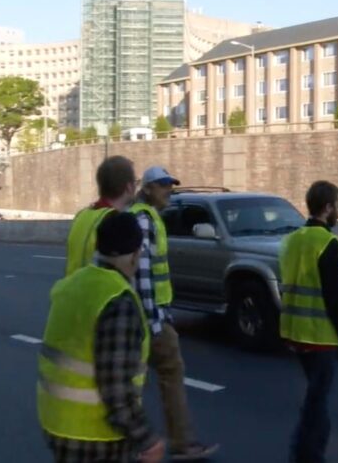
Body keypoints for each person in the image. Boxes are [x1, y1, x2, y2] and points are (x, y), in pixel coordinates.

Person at [39, 212, 165, 463]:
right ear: (136, 254)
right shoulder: (117, 299)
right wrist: (147, 439)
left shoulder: (70, 285)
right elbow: (116, 389)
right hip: (94, 436)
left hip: (56, 422)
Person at [130, 166, 219, 460]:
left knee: (140, 380)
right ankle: (181, 443)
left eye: (170, 184)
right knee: (170, 373)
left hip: (153, 312)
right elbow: (142, 271)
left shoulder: (149, 216)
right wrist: (155, 319)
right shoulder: (144, 219)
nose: (169, 190)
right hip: (151, 316)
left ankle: (138, 443)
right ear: (148, 188)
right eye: (163, 185)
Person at [279, 180, 338, 463]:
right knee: (316, 403)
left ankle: (307, 453)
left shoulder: (292, 239)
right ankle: (306, 455)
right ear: (327, 208)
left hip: (294, 331)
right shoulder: (328, 243)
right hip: (320, 336)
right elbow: (334, 299)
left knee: (316, 399)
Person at [65, 155, 137, 276]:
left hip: (73, 291)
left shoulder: (82, 215)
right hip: (102, 293)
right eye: (136, 182)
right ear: (129, 187)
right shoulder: (116, 222)